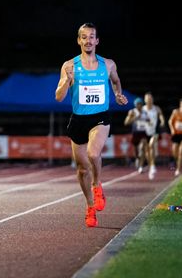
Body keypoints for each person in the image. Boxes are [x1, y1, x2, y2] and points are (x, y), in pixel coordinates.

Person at [55, 22, 128, 228]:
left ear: (97, 40)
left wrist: (117, 94)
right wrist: (65, 82)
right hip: (78, 119)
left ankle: (97, 185)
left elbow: (116, 80)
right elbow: (59, 97)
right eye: (84, 37)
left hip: (100, 117)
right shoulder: (70, 66)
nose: (88, 40)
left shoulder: (108, 64)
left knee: (93, 154)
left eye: (91, 36)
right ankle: (89, 207)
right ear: (79, 40)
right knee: (81, 169)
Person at [142, 92, 166, 180]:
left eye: (150, 98)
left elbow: (161, 116)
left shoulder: (156, 108)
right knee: (147, 151)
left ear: (152, 99)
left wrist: (162, 121)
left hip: (154, 132)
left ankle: (152, 166)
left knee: (151, 146)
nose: (149, 100)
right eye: (147, 98)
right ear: (145, 100)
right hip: (145, 132)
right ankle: (151, 165)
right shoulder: (142, 109)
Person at [124, 97, 148, 171]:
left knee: (142, 148)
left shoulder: (145, 112)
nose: (139, 105)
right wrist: (135, 118)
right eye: (138, 104)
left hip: (144, 133)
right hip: (135, 133)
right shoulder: (132, 112)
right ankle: (137, 159)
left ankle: (141, 166)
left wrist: (148, 121)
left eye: (140, 104)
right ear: (135, 105)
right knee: (136, 152)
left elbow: (150, 121)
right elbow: (126, 122)